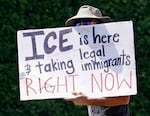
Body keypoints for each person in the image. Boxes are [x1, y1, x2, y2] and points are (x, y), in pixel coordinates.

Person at [65, 5, 130, 116]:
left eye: (88, 23)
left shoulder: (116, 56)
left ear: (101, 27)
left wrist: (87, 100)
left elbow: (124, 99)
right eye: (79, 24)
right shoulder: (84, 58)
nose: (83, 27)